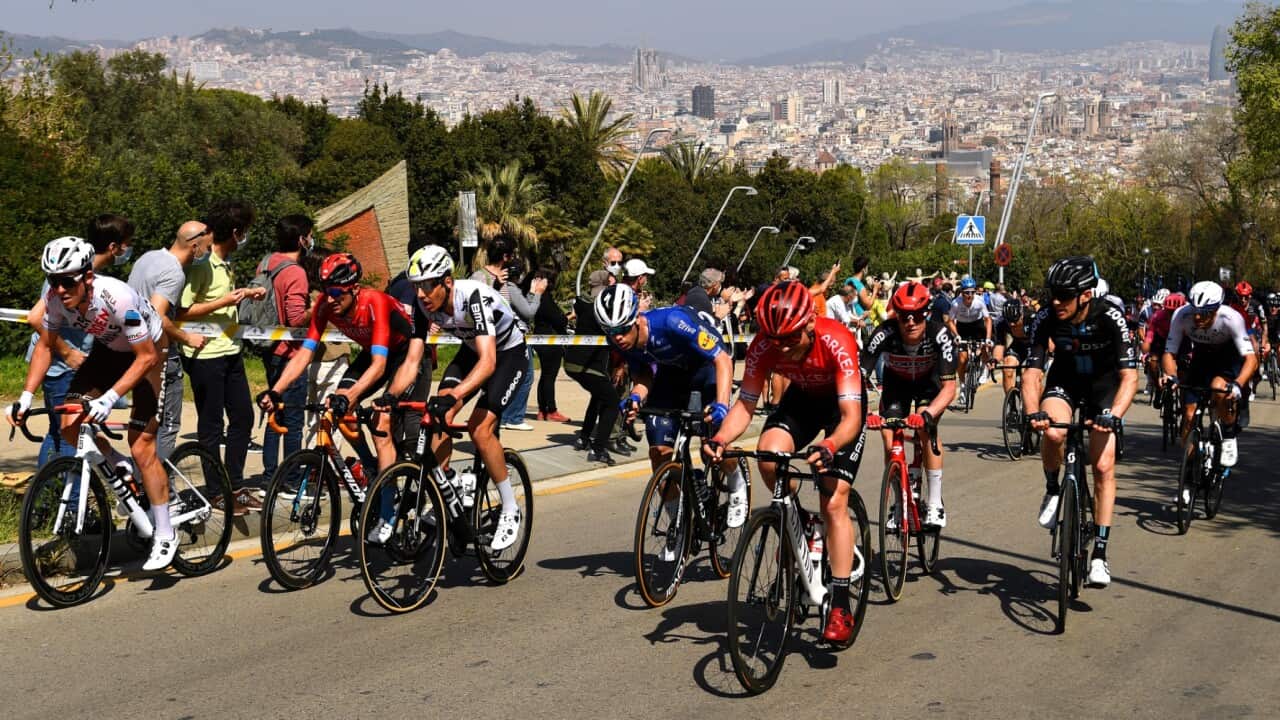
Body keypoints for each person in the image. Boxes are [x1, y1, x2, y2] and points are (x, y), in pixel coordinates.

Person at [704, 280, 867, 645]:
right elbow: (745, 404)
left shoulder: (836, 339)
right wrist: (719, 439)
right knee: (768, 453)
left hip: (840, 411)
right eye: (775, 340)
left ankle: (839, 603)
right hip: (803, 401)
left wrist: (829, 444)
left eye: (791, 338)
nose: (783, 348)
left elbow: (851, 417)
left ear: (810, 323)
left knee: (834, 497)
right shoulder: (766, 345)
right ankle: (802, 522)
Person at [9, 237, 176, 570]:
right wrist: (25, 396)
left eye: (66, 281)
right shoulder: (56, 300)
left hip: (150, 355)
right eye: (53, 280)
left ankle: (165, 533)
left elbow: (145, 357)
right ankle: (116, 463)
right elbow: (45, 346)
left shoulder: (117, 298)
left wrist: (110, 398)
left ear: (87, 276)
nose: (58, 289)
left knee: (142, 446)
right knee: (69, 424)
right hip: (108, 352)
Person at [257, 252, 425, 543]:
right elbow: (306, 353)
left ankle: (389, 507)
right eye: (325, 291)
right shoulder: (325, 305)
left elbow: (380, 366)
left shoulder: (375, 302)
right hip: (373, 354)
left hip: (406, 358)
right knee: (336, 404)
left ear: (354, 289)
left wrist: (352, 395)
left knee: (381, 421)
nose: (330, 298)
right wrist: (276, 390)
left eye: (337, 292)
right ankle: (371, 466)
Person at [1025, 256, 1138, 588]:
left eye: (1065, 295)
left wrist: (1114, 415)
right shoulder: (1046, 317)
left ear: (1086, 294)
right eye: (1053, 294)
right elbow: (1032, 372)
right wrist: (1034, 413)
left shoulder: (1111, 318)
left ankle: (1100, 554)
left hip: (1103, 391)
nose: (1056, 302)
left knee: (1103, 467)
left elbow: (1130, 377)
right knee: (1055, 432)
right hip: (1065, 382)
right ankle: (1052, 489)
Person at [405, 245, 527, 550]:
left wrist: (457, 394)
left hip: (508, 354)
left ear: (446, 282)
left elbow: (489, 362)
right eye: (416, 286)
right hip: (471, 350)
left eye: (427, 286)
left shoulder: (473, 297)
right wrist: (391, 397)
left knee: (479, 428)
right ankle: (449, 488)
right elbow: (411, 360)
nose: (421, 294)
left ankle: (510, 508)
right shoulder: (422, 305)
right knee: (438, 415)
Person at [598, 284, 746, 522]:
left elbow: (722, 360)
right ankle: (676, 521)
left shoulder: (673, 322)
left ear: (636, 317)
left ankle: (736, 480)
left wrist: (722, 404)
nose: (617, 337)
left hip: (706, 369)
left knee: (715, 444)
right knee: (658, 454)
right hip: (672, 377)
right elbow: (644, 374)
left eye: (623, 329)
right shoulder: (619, 340)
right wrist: (636, 397)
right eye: (610, 330)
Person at [179, 200, 265, 511]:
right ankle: (215, 491)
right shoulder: (201, 265)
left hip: (231, 350)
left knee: (243, 416)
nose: (246, 237)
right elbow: (182, 311)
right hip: (205, 356)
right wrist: (224, 301)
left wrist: (244, 293)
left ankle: (235, 485)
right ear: (235, 232)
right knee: (212, 425)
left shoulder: (225, 264)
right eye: (245, 232)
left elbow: (221, 301)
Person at [862, 282, 958, 527]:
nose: (910, 322)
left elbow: (949, 388)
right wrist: (865, 412)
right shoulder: (884, 333)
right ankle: (898, 500)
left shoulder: (940, 334)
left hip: (930, 384)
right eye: (904, 316)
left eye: (917, 315)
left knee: (927, 430)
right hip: (897, 386)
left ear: (926, 313)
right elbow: (856, 379)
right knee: (888, 434)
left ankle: (935, 503)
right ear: (897, 315)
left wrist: (929, 413)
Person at [127, 220, 210, 460]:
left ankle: (141, 486)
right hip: (161, 356)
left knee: (142, 423)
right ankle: (163, 490)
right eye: (207, 246)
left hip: (136, 350)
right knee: (166, 426)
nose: (208, 252)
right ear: (194, 245)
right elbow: (158, 315)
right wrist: (187, 337)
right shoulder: (174, 272)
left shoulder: (148, 257)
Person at [1162, 281, 1257, 471]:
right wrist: (1172, 376)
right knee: (1188, 415)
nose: (1197, 317)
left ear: (1216, 309)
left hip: (1228, 356)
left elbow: (1251, 359)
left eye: (1204, 312)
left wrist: (1238, 384)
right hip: (1202, 356)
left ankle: (1229, 435)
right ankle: (1188, 472)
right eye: (1195, 310)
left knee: (1219, 387)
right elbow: (1169, 353)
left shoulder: (1231, 318)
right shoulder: (1181, 315)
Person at [258, 215, 316, 482]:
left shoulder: (267, 263)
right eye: (310, 235)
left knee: (273, 414)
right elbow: (294, 319)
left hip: (270, 350)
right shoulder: (295, 272)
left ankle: (271, 475)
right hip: (291, 355)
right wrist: (316, 309)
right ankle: (292, 479)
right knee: (293, 421)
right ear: (302, 239)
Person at [470, 236, 544, 432]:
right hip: (489, 344)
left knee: (499, 393)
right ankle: (503, 422)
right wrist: (495, 286)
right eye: (511, 256)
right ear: (505, 256)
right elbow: (475, 307)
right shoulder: (479, 277)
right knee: (487, 390)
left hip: (509, 344)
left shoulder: (507, 283)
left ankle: (495, 432)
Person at [565, 270, 622, 464]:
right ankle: (598, 449)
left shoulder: (581, 303)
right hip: (590, 364)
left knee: (599, 397)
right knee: (612, 402)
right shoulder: (603, 307)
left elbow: (580, 306)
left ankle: (583, 437)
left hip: (572, 360)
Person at [531, 267, 571, 423]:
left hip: (540, 337)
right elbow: (559, 320)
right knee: (549, 376)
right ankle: (551, 410)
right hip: (550, 339)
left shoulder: (535, 297)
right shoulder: (545, 299)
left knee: (544, 376)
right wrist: (569, 316)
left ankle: (542, 410)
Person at [945, 276, 992, 393]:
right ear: (962, 293)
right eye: (967, 293)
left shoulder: (979, 301)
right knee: (962, 359)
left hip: (977, 325)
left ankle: (985, 370)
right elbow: (949, 321)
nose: (970, 295)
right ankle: (962, 386)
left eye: (972, 292)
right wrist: (956, 335)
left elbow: (988, 320)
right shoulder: (956, 303)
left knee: (984, 348)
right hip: (963, 327)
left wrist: (988, 338)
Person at [993, 299, 1032, 395]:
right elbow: (999, 344)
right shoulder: (1001, 323)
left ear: (1021, 314)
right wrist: (994, 360)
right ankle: (1011, 405)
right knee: (1007, 368)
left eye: (1015, 320)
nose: (1012, 324)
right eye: (1009, 321)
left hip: (1035, 345)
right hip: (1019, 344)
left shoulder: (1032, 318)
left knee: (1031, 377)